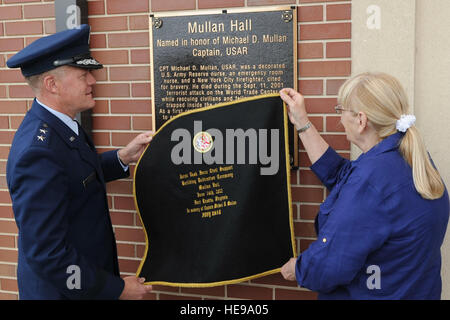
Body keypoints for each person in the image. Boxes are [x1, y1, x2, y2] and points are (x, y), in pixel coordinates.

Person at [6, 25, 153, 299]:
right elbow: (48, 254)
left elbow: (74, 175)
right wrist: (115, 289)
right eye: (84, 74)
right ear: (52, 84)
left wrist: (121, 157)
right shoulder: (37, 152)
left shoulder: (60, 126)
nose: (92, 81)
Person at [279, 72, 449, 299]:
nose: (340, 120)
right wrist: (302, 122)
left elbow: (329, 267)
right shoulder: (411, 159)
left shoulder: (372, 181)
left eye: (341, 111)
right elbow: (342, 175)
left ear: (361, 120)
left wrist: (298, 268)